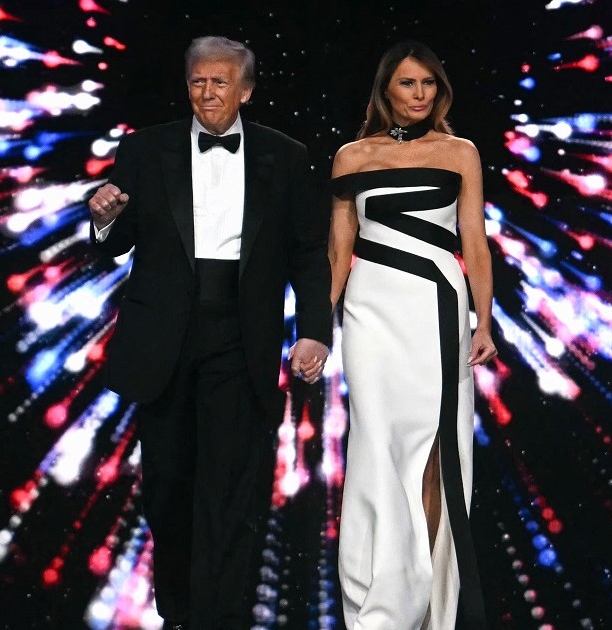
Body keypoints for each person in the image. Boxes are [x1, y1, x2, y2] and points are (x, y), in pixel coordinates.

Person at [87, 36, 331, 630]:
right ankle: (178, 611)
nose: (207, 92)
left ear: (245, 90)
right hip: (164, 334)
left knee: (230, 489)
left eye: (220, 82)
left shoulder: (286, 155)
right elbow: (117, 242)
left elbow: (306, 252)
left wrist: (314, 331)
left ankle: (221, 617)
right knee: (168, 484)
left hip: (242, 335)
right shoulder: (145, 148)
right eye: (198, 81)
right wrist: (104, 218)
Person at [328, 41, 496, 629]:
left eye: (429, 83)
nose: (420, 94)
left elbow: (475, 241)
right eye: (407, 83)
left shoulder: (460, 152)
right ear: (386, 90)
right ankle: (378, 602)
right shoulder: (351, 157)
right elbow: (338, 251)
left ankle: (420, 607)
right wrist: (317, 330)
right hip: (370, 311)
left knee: (431, 455)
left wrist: (484, 319)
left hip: (437, 309)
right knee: (375, 446)